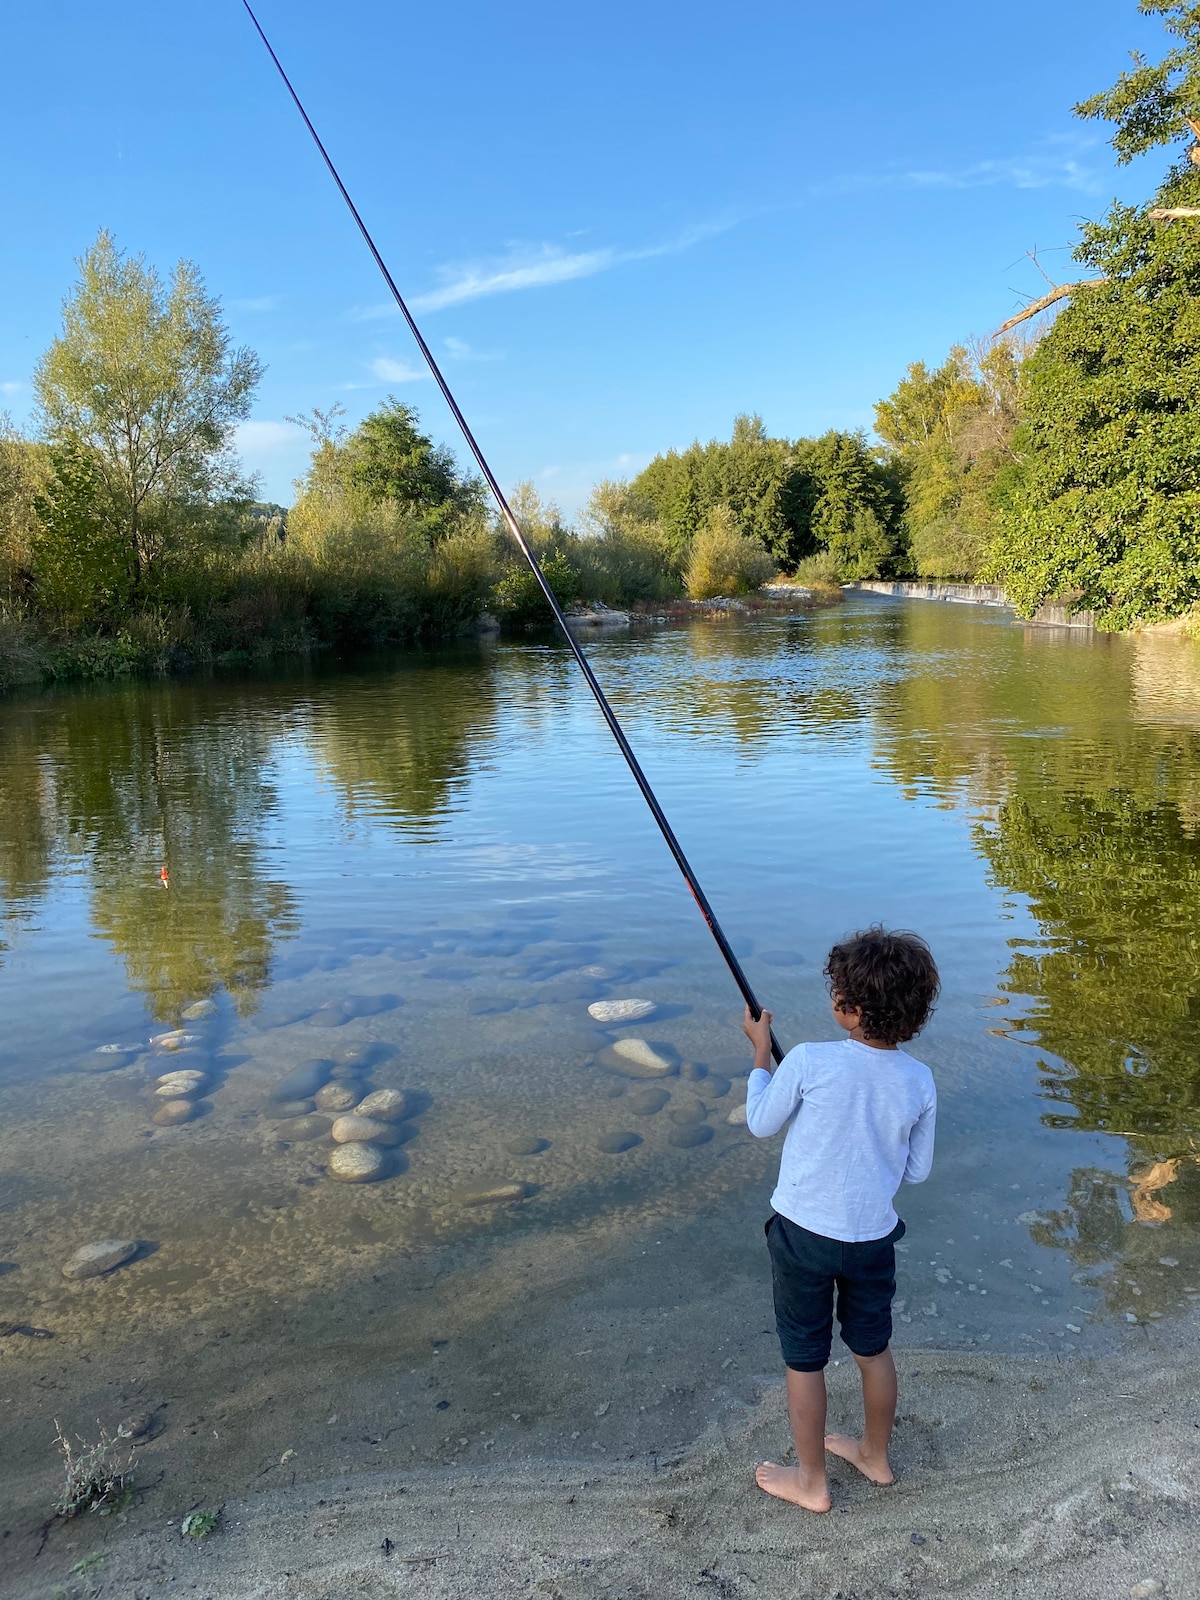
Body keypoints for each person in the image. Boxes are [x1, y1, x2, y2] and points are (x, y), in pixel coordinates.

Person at [742, 926, 939, 1512]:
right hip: (873, 1239)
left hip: (802, 1235)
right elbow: (918, 1171)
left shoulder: (805, 1060)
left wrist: (760, 1050)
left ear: (848, 1009)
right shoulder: (919, 1079)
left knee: (805, 1355)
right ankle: (875, 1456)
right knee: (871, 1348)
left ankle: (811, 1481)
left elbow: (759, 1121)